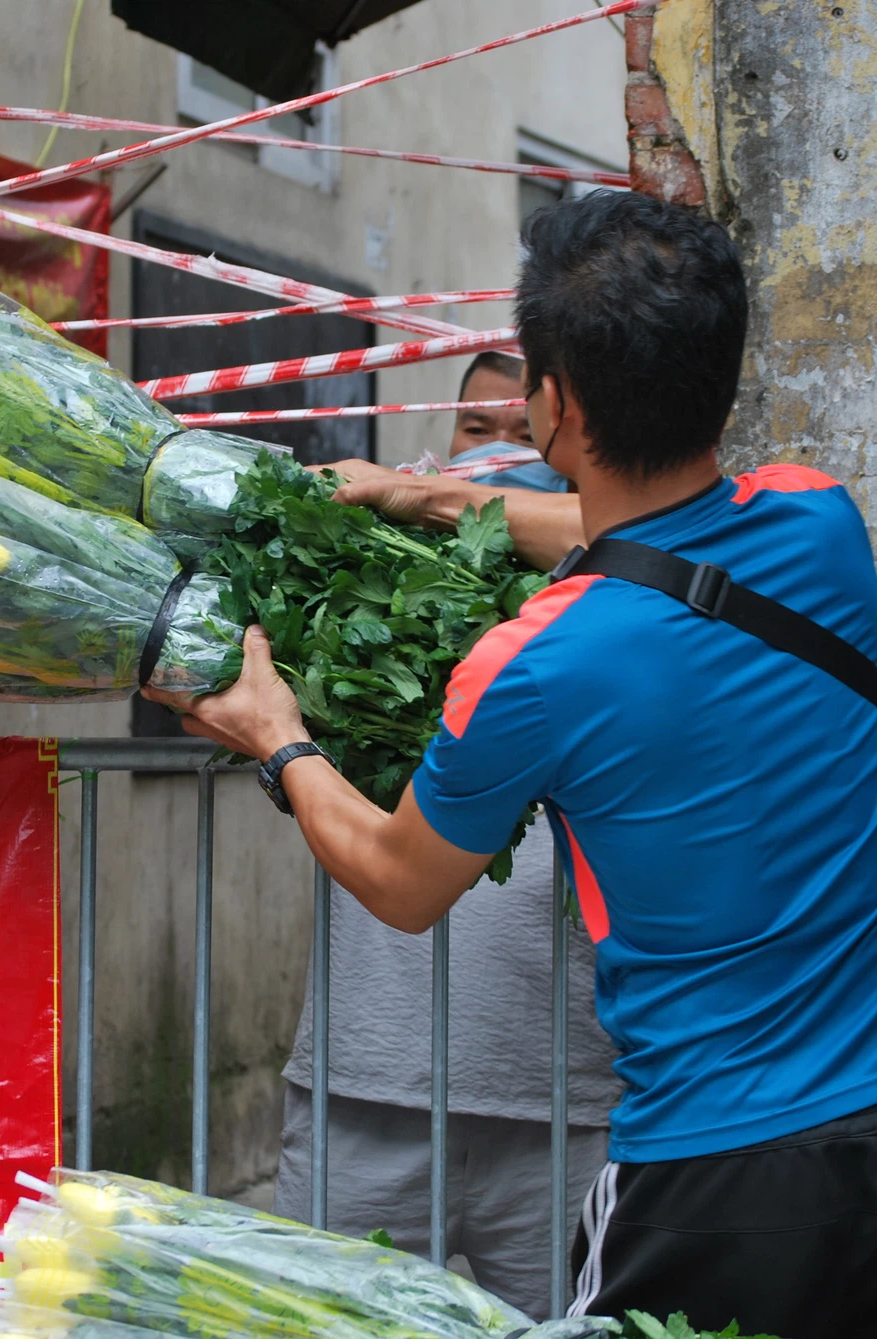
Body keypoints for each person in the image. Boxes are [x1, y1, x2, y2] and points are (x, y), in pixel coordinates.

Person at [146, 191, 877, 1339]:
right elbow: (642, 537)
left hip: (713, 1175)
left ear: (548, 406)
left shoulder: (536, 664)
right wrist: (441, 496)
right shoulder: (822, 528)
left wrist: (277, 736)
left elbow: (401, 880)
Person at [267, 350, 621, 1320]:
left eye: (524, 433)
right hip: (366, 1088)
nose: (498, 454)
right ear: (435, 445)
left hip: (566, 1106)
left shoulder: (614, 594)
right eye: (477, 429)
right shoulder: (356, 590)